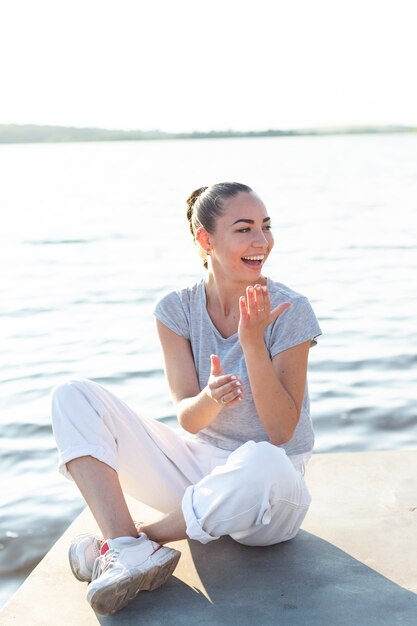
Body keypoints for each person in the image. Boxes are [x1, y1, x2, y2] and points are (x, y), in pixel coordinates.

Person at [51, 182, 321, 615]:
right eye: (245, 229)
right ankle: (127, 549)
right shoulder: (177, 309)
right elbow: (189, 421)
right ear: (205, 239)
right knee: (72, 395)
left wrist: (253, 344)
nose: (262, 242)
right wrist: (211, 398)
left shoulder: (290, 309)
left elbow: (281, 431)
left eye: (266, 227)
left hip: (271, 490)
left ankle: (137, 543)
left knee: (262, 459)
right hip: (200, 465)